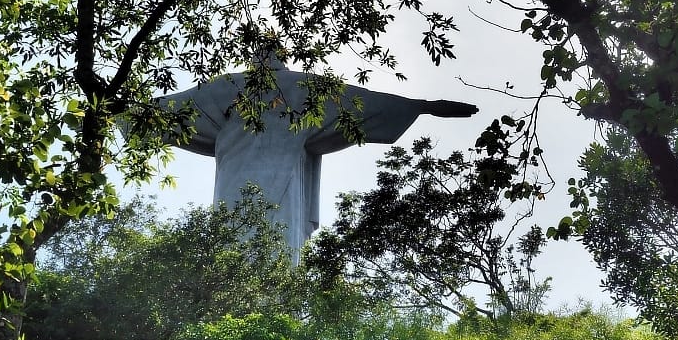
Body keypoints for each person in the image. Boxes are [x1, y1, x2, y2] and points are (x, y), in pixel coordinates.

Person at [154, 58, 477, 262]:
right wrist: (422, 105)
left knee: (267, 241)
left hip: (260, 179)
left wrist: (422, 106)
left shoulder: (234, 86)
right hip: (239, 180)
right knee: (238, 243)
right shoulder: (250, 86)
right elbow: (361, 103)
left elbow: (161, 113)